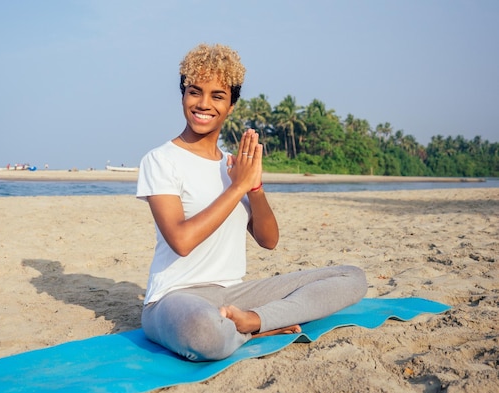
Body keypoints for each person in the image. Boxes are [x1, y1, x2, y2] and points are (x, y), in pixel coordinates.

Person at [136, 44, 367, 362]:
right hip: (174, 298)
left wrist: (254, 188)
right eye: (194, 92)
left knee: (351, 277)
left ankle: (254, 322)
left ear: (231, 105)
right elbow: (181, 240)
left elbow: (268, 241)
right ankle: (254, 329)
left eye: (217, 96)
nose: (204, 104)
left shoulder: (234, 165)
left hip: (233, 295)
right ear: (182, 96)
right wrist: (238, 187)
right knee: (205, 332)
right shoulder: (161, 160)